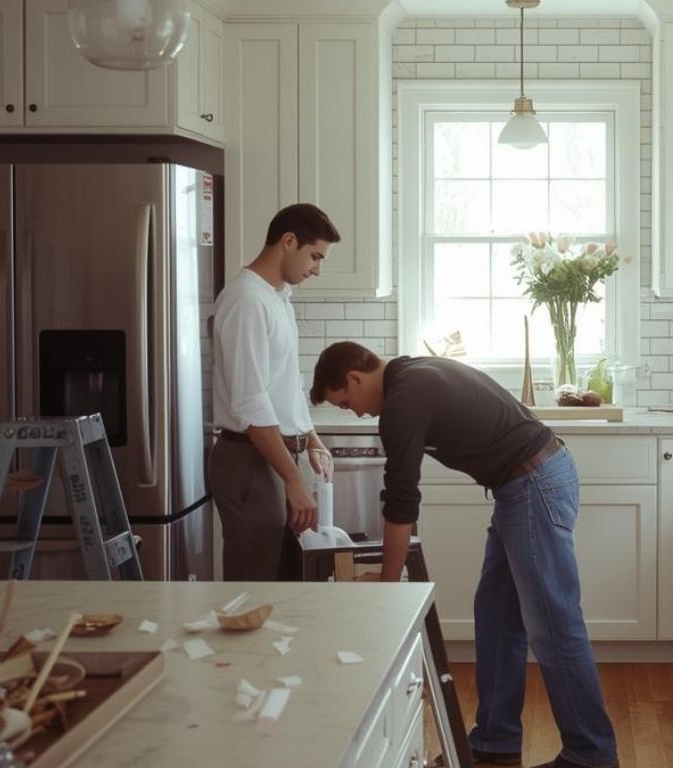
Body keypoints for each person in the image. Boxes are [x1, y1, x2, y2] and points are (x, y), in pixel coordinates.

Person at [309, 343, 618, 768]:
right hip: (524, 485)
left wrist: (386, 580)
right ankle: (494, 742)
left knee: (554, 623)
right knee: (496, 613)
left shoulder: (403, 399)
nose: (356, 413)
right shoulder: (411, 373)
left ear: (354, 379)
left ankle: (592, 755)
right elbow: (402, 500)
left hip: (533, 484)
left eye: (347, 403)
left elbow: (401, 500)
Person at [208, 203, 340, 581]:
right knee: (255, 583)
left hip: (273, 456)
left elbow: (283, 384)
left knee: (282, 582)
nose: (316, 268)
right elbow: (251, 402)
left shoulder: (277, 296)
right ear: (288, 241)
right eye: (315, 256)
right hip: (249, 460)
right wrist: (294, 480)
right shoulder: (245, 300)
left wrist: (312, 438)